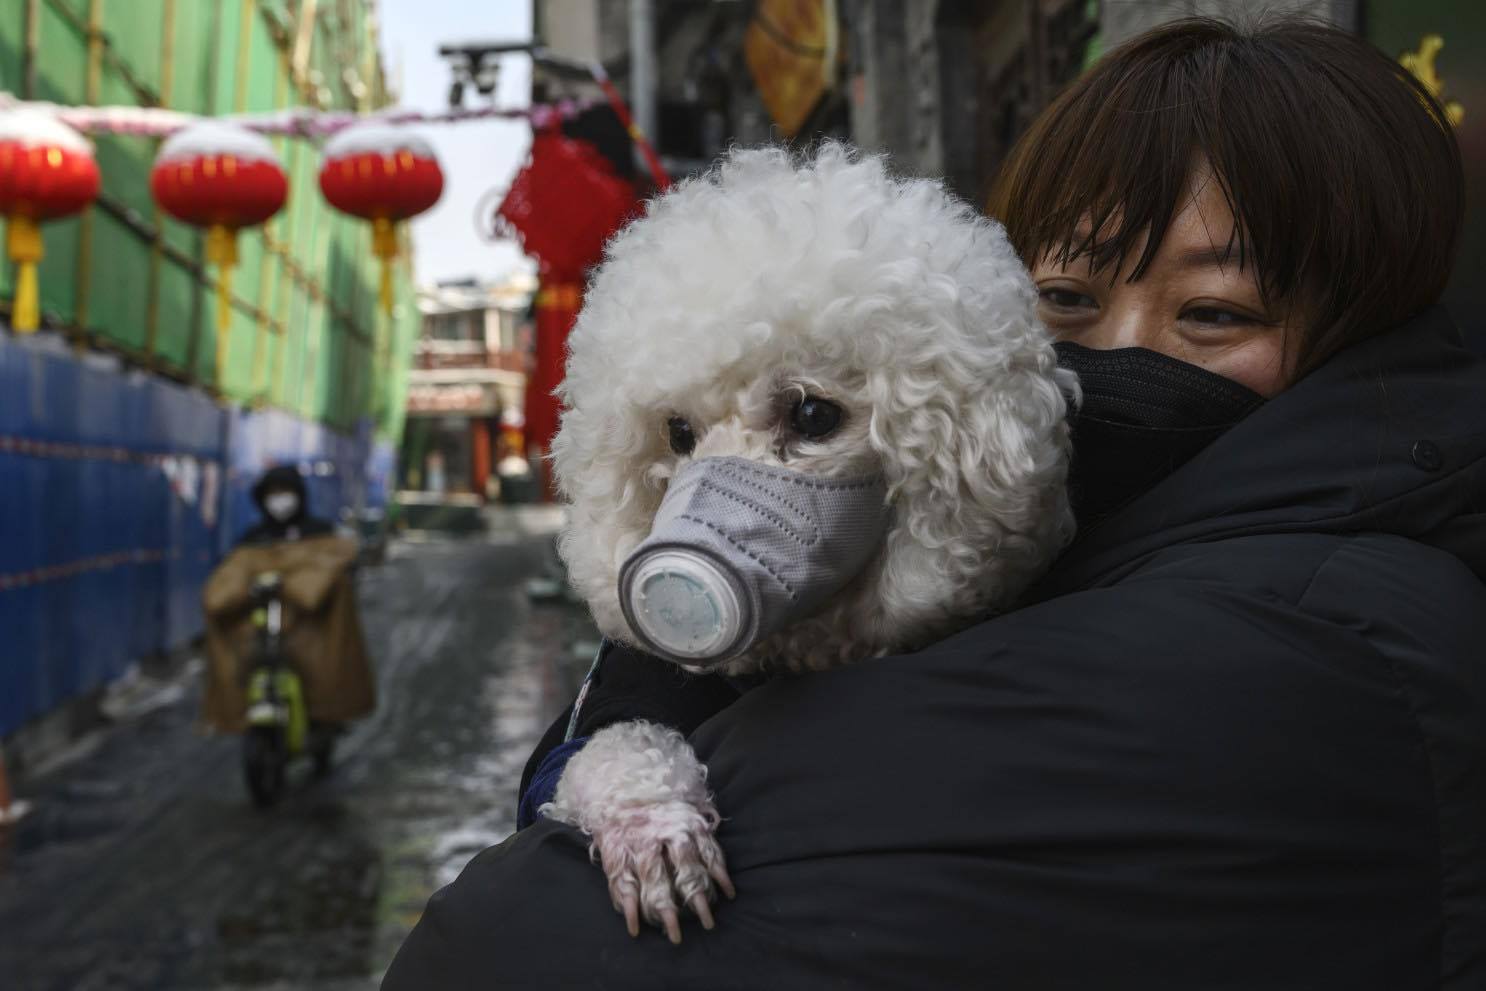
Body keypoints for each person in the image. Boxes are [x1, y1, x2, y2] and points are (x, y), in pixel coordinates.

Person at [383, 18, 1484, 989]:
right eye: (1066, 297)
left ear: (1362, 323)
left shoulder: (1298, 634)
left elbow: (505, 944)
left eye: (1212, 313)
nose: (1123, 351)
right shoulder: (1085, 547)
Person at [238, 464, 334, 546]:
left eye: (285, 490)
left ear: (299, 494)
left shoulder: (322, 532)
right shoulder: (253, 538)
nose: (279, 497)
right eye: (273, 492)